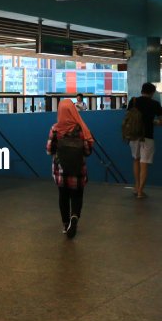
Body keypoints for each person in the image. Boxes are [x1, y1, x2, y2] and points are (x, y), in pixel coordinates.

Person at [46, 100, 94, 239]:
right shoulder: (81, 129)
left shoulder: (55, 129)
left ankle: (65, 224)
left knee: (63, 197)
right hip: (78, 170)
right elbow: (87, 151)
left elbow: (49, 150)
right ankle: (74, 218)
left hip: (61, 171)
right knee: (77, 196)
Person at [126, 82, 162, 199]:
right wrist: (154, 122)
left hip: (134, 136)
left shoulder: (133, 101)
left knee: (136, 160)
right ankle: (140, 192)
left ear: (142, 90)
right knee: (144, 164)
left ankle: (136, 186)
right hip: (147, 136)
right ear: (152, 92)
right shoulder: (155, 104)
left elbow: (128, 117)